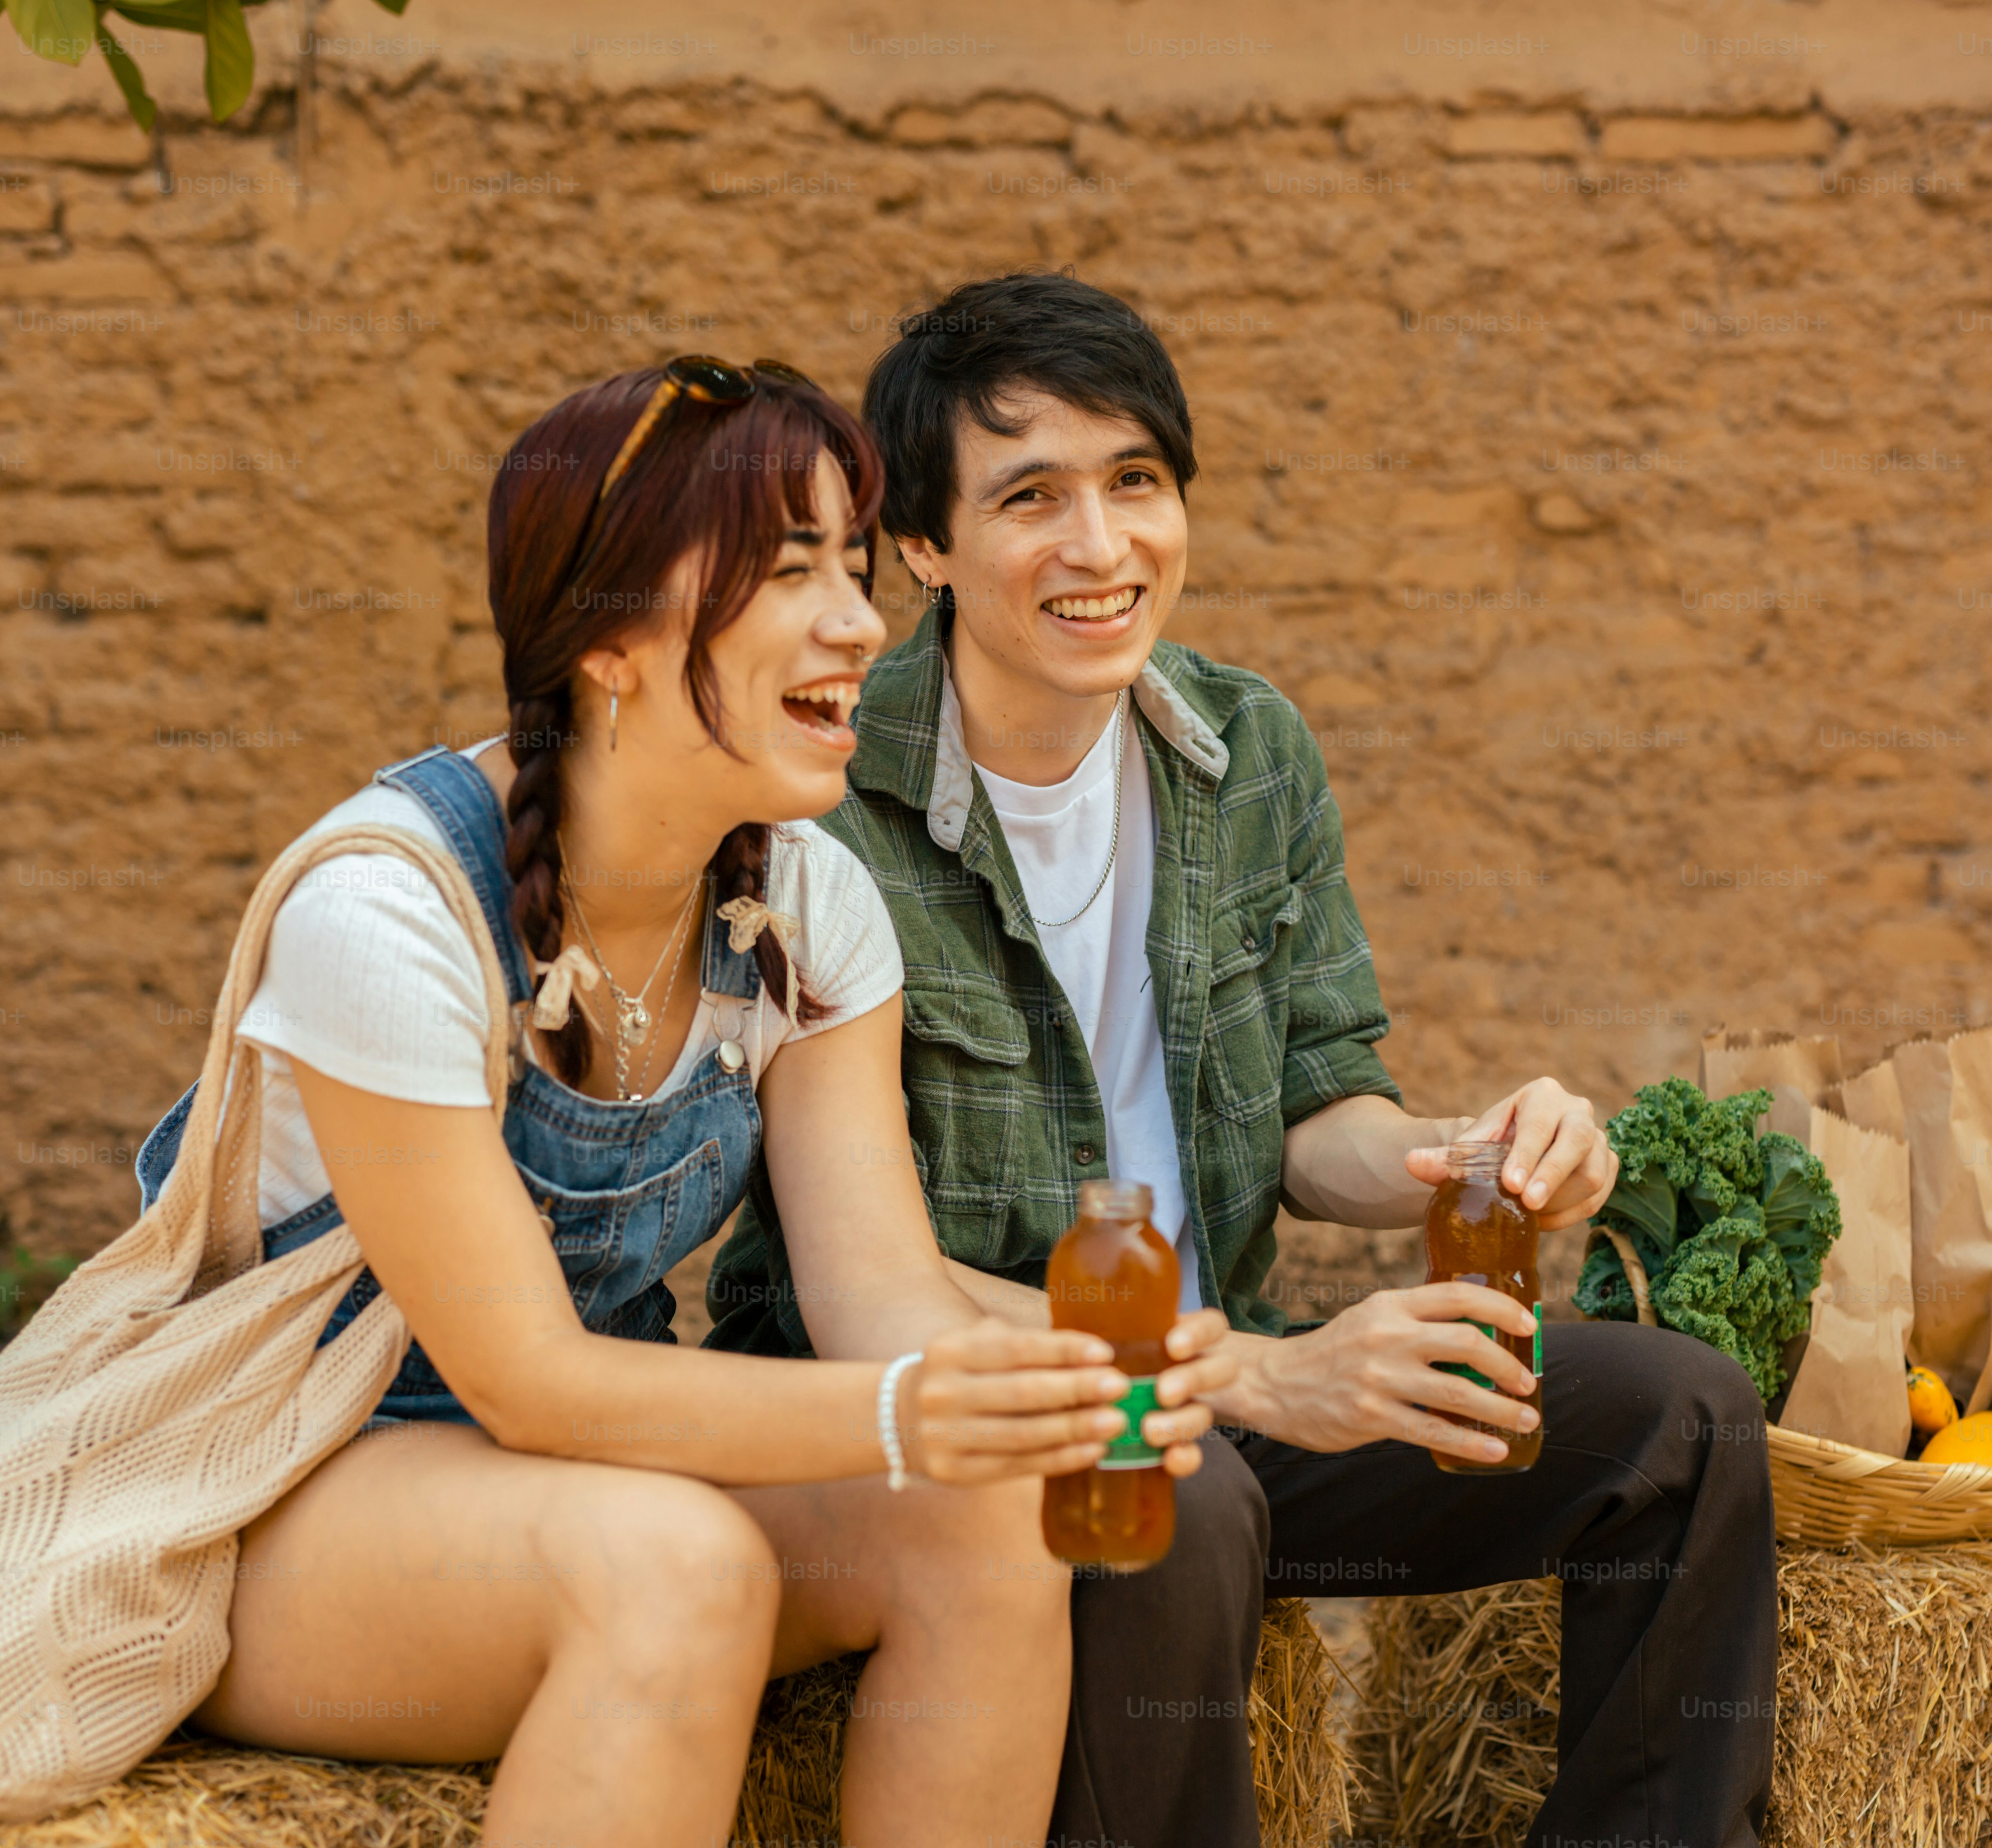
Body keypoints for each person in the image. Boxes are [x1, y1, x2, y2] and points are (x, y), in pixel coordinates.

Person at [707, 278, 1779, 1848]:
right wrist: (1234, 1374)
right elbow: (855, 1273)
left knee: (1681, 1419)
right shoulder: (829, 792)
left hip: (1246, 1373)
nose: (1101, 545)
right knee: (1173, 1494)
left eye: (1135, 482)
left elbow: (1314, 1111)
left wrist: (1468, 1147)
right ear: (923, 549)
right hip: (942, 1401)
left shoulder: (1245, 748)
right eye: (1031, 498)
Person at [127, 356, 1236, 1848]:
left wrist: (1053, 1387)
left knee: (990, 1524)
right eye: (794, 573)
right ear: (612, 641)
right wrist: (918, 1408)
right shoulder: (388, 911)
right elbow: (530, 1383)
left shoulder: (812, 902)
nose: (861, 621)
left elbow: (880, 1296)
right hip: (285, 1493)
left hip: (585, 1478)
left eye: (859, 564)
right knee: (678, 1564)